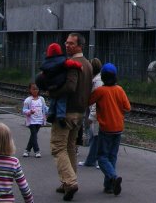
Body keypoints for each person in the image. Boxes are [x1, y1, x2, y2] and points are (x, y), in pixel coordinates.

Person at [49, 32, 93, 201]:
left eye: (71, 44)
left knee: (58, 147)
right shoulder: (88, 64)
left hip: (66, 112)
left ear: (80, 45)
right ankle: (67, 182)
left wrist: (53, 92)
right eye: (66, 43)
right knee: (70, 147)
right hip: (80, 112)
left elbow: (70, 87)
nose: (67, 46)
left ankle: (70, 181)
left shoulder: (73, 64)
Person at [88, 62, 131, 196]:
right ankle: (109, 186)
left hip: (106, 128)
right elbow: (127, 108)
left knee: (101, 157)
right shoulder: (120, 89)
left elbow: (88, 101)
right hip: (118, 127)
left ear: (103, 77)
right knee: (112, 156)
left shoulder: (100, 91)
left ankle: (112, 176)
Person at [35, 42, 82, 125]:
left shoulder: (46, 63)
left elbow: (42, 74)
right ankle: (61, 116)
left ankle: (50, 114)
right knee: (62, 100)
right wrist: (79, 65)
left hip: (50, 85)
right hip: (60, 84)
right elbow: (71, 63)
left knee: (53, 100)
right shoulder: (63, 61)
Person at [79, 57, 103, 168]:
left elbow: (96, 101)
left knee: (96, 136)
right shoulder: (97, 80)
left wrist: (91, 116)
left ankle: (95, 160)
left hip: (98, 114)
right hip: (97, 113)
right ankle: (92, 160)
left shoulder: (97, 82)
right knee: (95, 136)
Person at [22, 82, 47, 158]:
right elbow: (24, 110)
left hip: (39, 120)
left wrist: (51, 111)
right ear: (30, 90)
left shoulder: (41, 99)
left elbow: (45, 108)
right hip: (31, 121)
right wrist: (29, 112)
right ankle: (37, 151)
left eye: (37, 89)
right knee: (34, 135)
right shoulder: (28, 100)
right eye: (33, 89)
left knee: (33, 135)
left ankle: (27, 150)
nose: (35, 90)